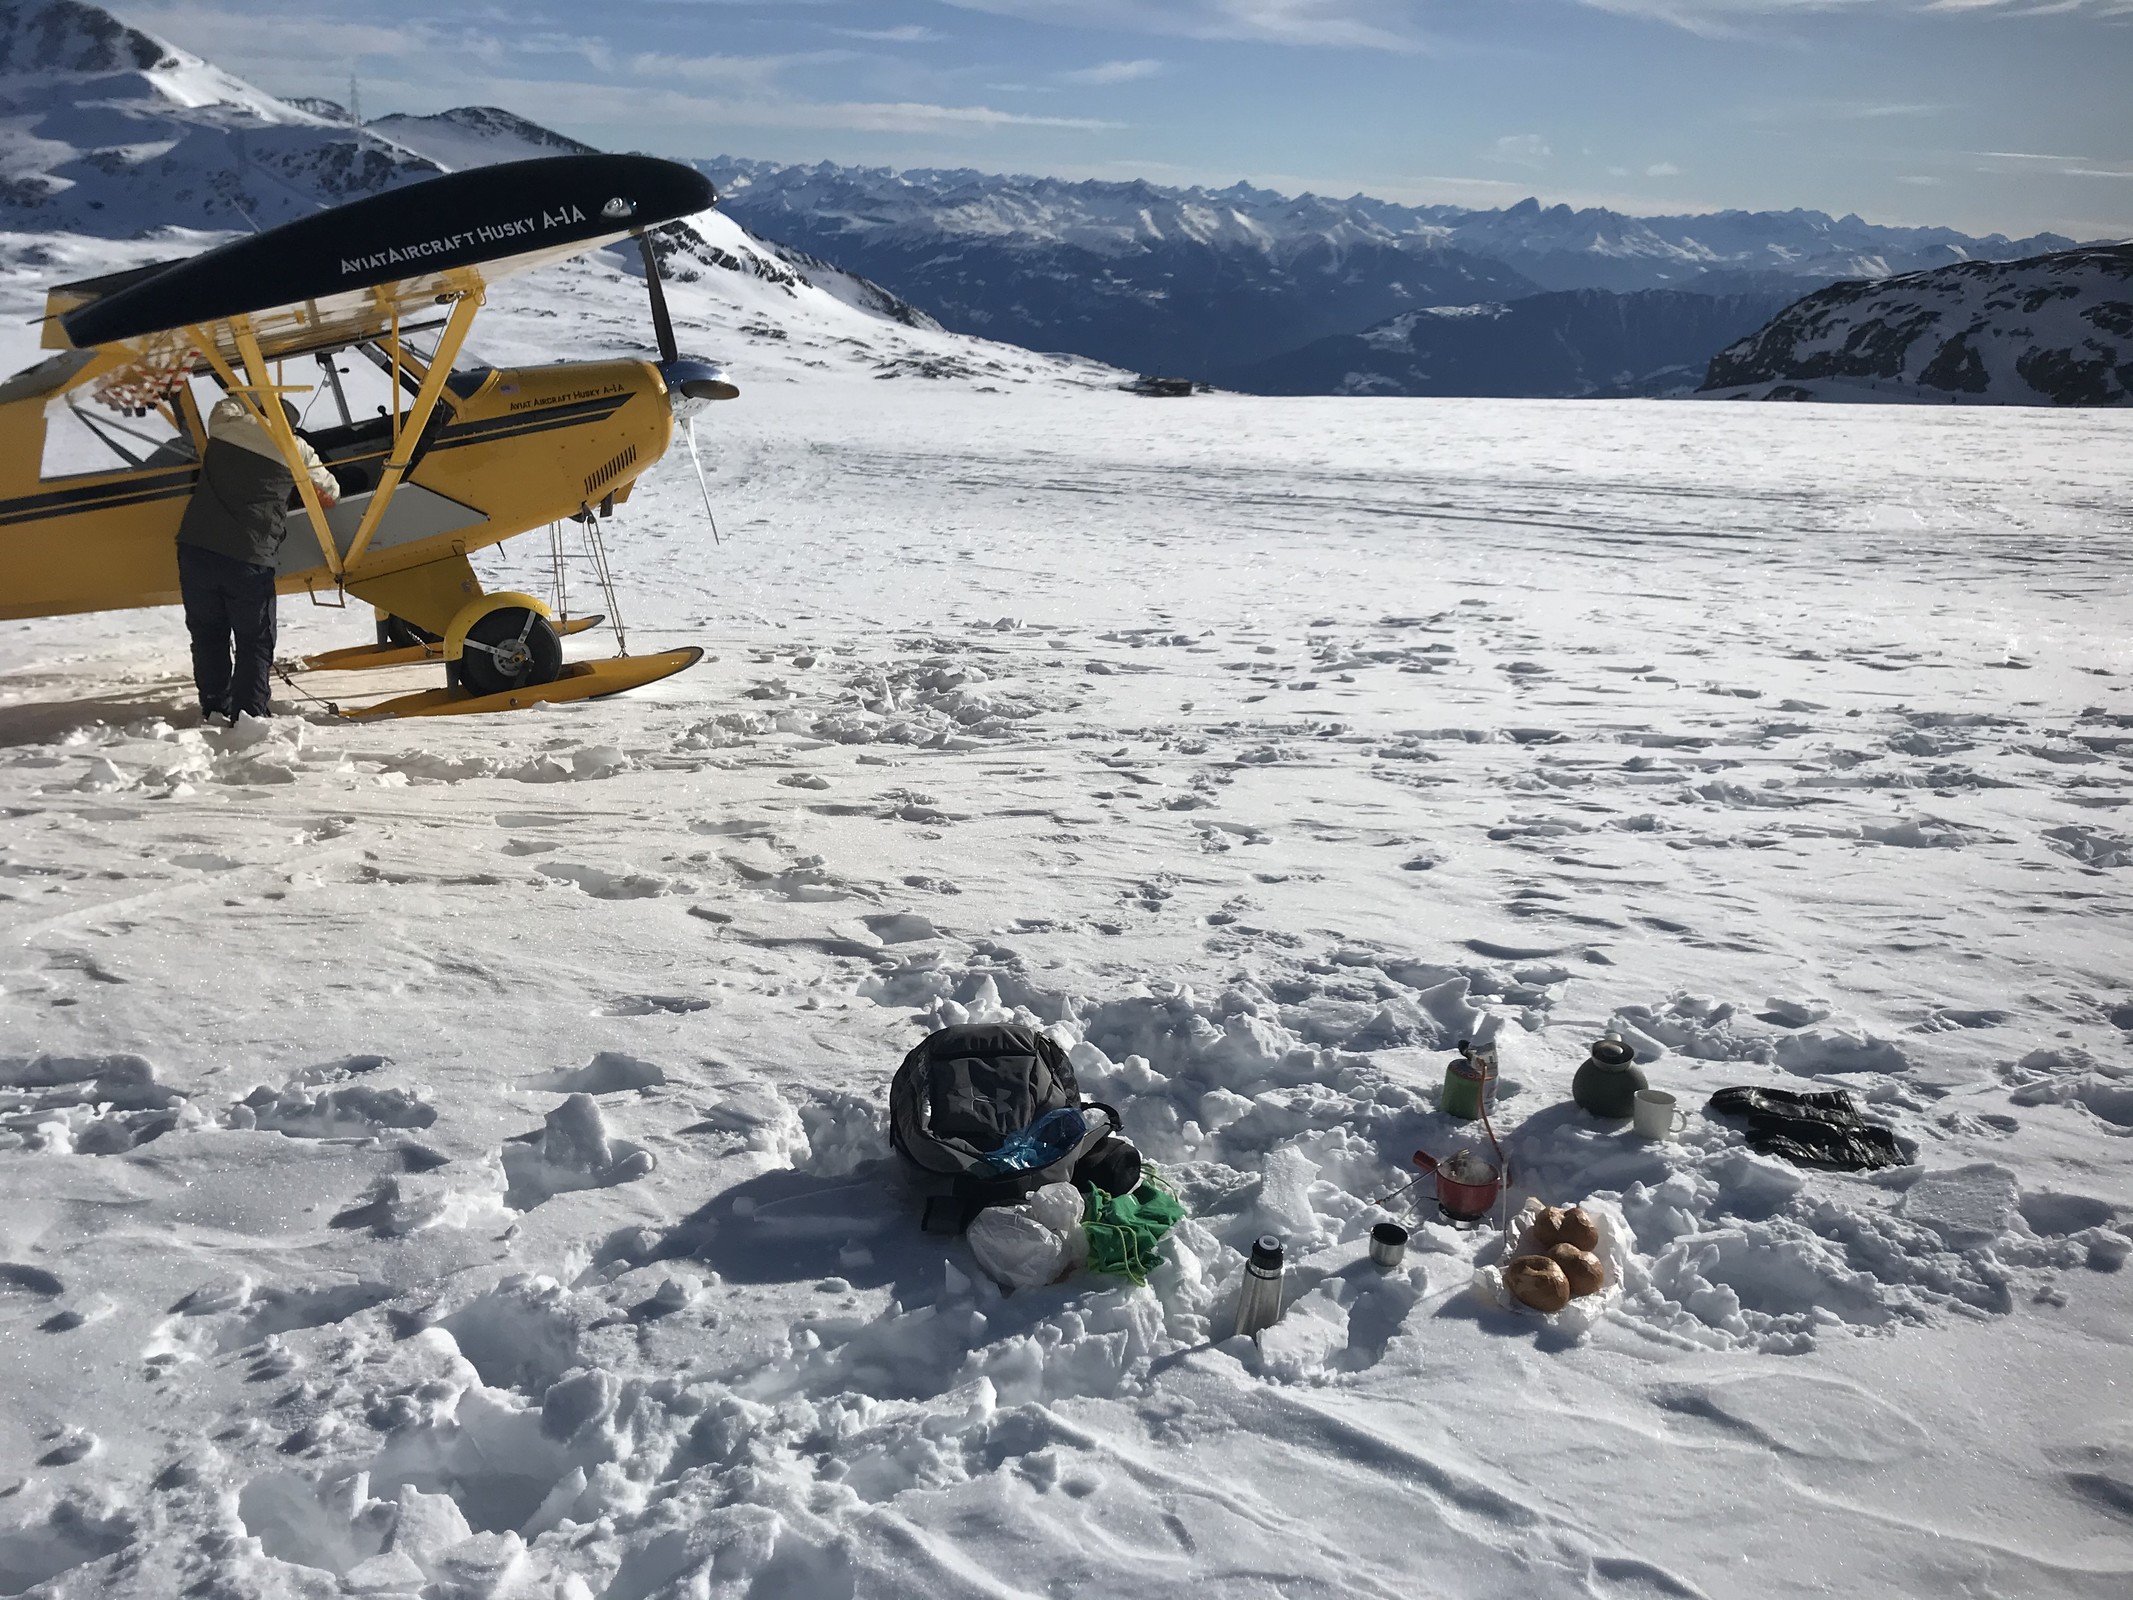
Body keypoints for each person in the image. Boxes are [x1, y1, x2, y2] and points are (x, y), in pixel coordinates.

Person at [174, 394, 341, 723]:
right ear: (290, 425)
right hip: (248, 558)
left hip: (196, 550)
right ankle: (250, 715)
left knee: (208, 634)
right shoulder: (296, 449)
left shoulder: (225, 424)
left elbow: (228, 403)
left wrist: (260, 393)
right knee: (254, 640)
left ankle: (214, 707)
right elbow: (332, 494)